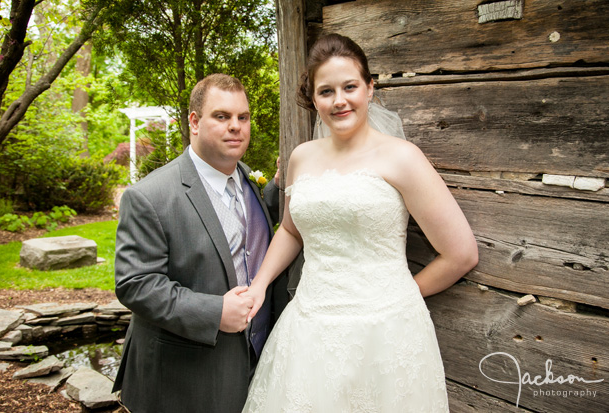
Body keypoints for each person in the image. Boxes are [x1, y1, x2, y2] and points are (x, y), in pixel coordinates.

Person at [241, 33, 479, 412]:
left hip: (385, 332)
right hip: (309, 329)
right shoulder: (301, 157)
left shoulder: (403, 159)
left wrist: (398, 297)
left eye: (350, 86)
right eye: (326, 91)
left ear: (369, 88)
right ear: (313, 99)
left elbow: (461, 254)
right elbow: (290, 230)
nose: (339, 100)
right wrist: (258, 285)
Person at [112, 73, 287, 413]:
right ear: (194, 121)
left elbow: (244, 230)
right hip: (184, 379)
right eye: (222, 116)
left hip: (258, 363)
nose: (235, 126)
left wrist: (276, 191)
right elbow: (136, 284)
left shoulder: (248, 179)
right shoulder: (149, 197)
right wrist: (215, 312)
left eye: (243, 117)